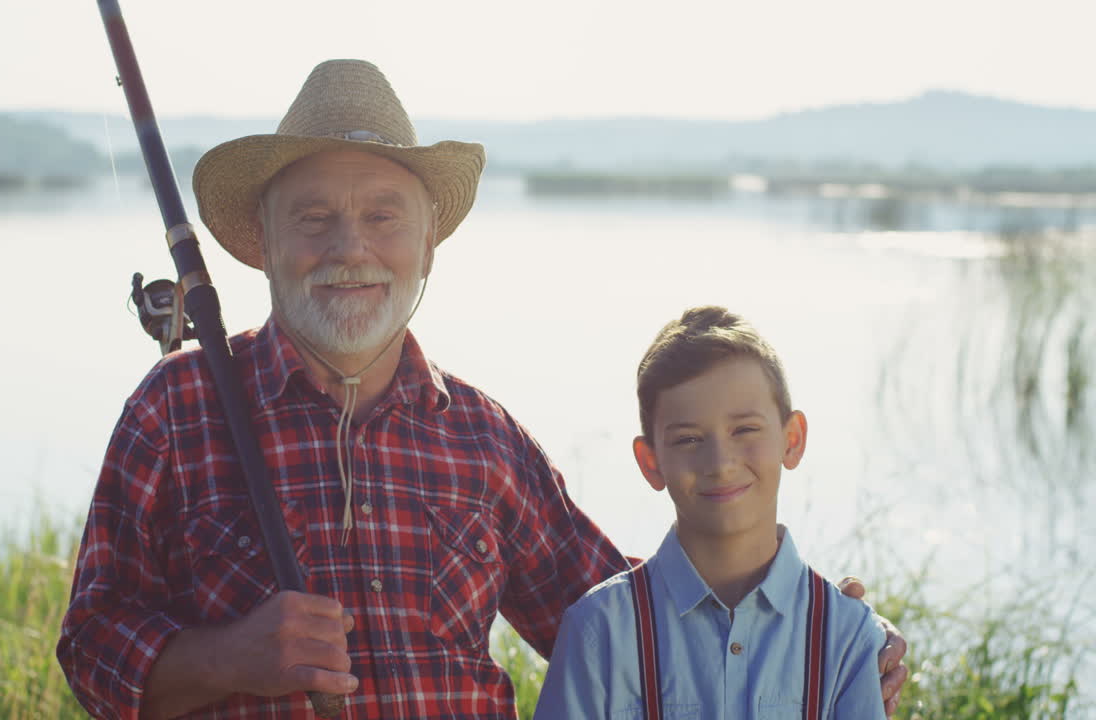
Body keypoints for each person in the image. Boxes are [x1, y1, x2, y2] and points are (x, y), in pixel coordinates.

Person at [57, 60, 908, 719]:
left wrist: (813, 626)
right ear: (263, 244)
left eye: (384, 215)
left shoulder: (486, 441)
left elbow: (634, 615)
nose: (351, 247)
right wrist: (230, 658)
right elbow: (91, 647)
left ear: (428, 245)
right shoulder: (177, 409)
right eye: (314, 216)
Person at [535, 306, 888, 719]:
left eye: (744, 430)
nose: (720, 462)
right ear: (651, 462)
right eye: (688, 439)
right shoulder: (600, 631)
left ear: (792, 440)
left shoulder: (845, 635)